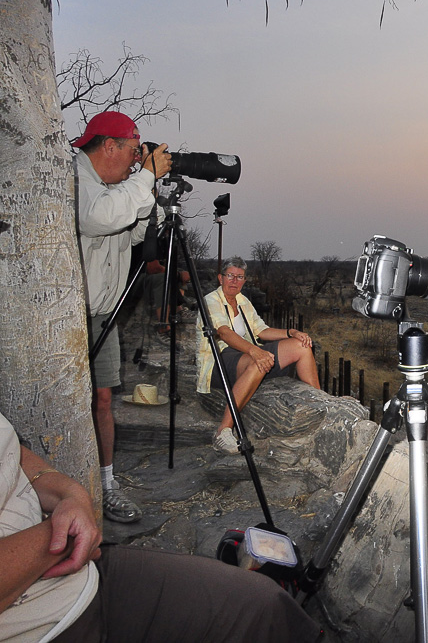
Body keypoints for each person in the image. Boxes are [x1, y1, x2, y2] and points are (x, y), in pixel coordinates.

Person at [0, 408, 322, 642]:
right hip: (44, 622)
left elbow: (14, 454)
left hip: (83, 575)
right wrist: (60, 537)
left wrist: (72, 496)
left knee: (263, 604)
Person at [72, 111, 172, 524]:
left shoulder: (115, 188)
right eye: (133, 152)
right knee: (70, 403)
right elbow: (96, 218)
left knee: (103, 399)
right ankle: (65, 486)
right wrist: (143, 179)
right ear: (108, 145)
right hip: (70, 318)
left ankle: (105, 484)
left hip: (104, 313)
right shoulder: (74, 179)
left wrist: (150, 199)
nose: (135, 161)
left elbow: (132, 233)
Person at [196, 257, 321, 453]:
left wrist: (292, 332)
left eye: (239, 277)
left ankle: (321, 403)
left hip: (243, 355)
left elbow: (261, 331)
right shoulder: (211, 300)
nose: (234, 281)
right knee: (258, 361)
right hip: (218, 361)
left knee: (301, 346)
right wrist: (255, 351)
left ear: (244, 281)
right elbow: (224, 333)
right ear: (220, 278)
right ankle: (224, 430)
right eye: (230, 276)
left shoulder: (243, 301)